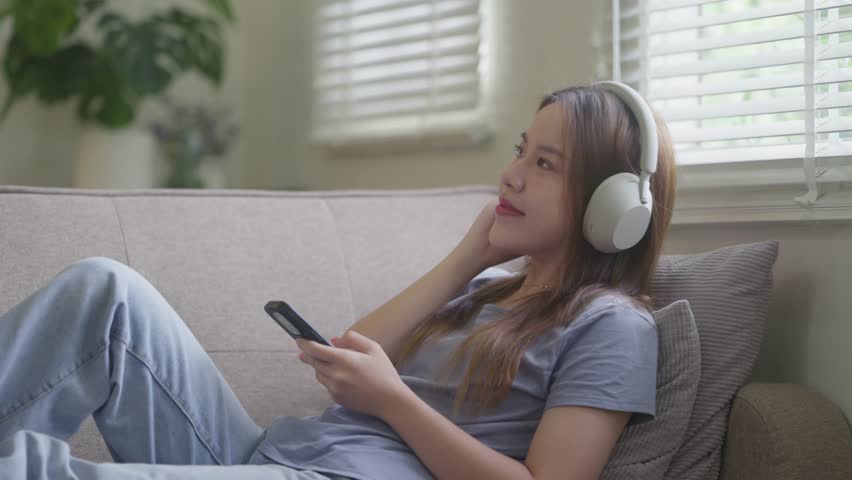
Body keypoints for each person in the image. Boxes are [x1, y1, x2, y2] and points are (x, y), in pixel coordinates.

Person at [0, 81, 676, 480]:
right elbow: (352, 355)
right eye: (519, 152)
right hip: (277, 457)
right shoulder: (491, 286)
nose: (513, 173)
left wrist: (394, 404)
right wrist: (469, 257)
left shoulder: (613, 326)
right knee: (105, 290)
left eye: (546, 163)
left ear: (610, 207)